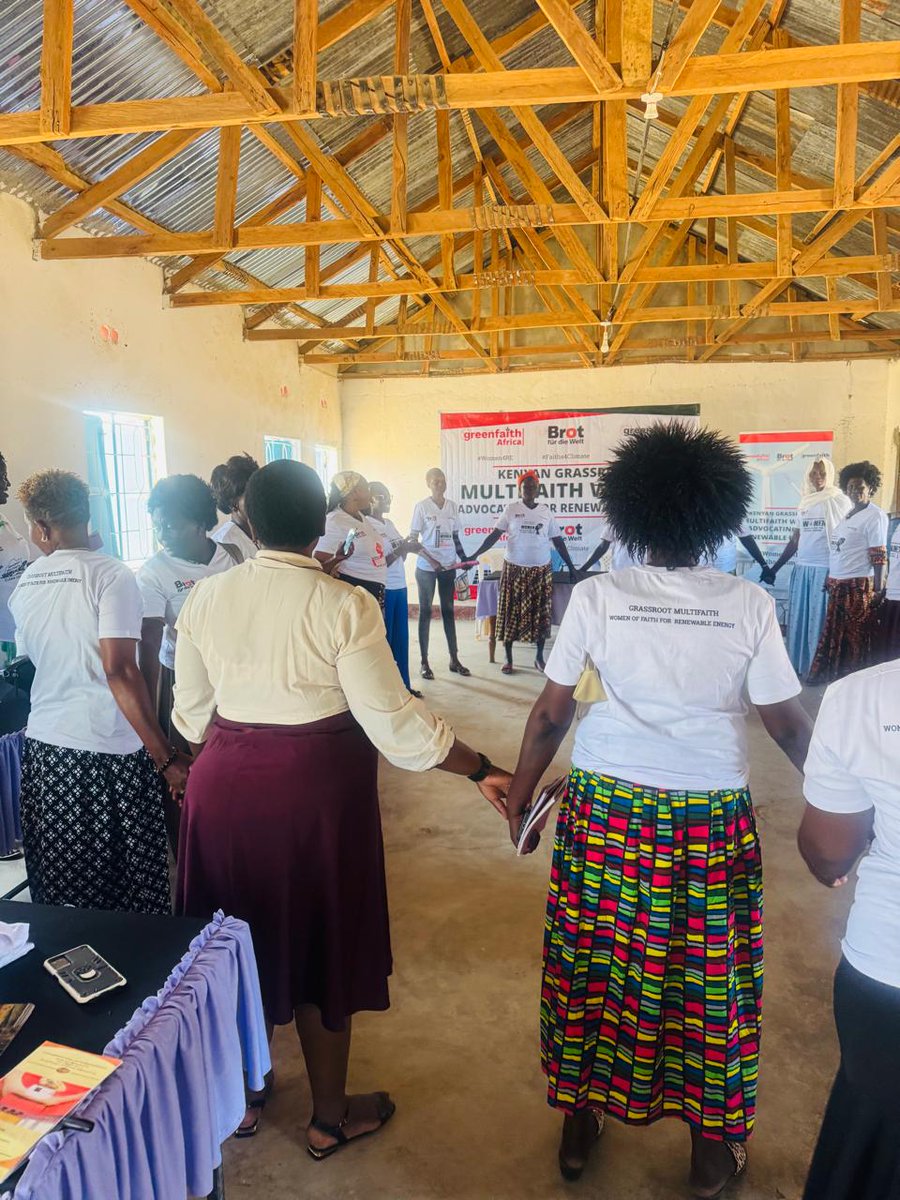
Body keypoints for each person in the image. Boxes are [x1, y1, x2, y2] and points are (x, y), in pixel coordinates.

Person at [505, 424, 812, 1198]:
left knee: (590, 961)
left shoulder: (601, 596)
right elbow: (785, 722)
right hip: (710, 817)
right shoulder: (749, 603)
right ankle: (712, 1151)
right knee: (711, 974)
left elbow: (550, 714)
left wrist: (518, 794)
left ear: (630, 512)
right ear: (717, 514)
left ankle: (580, 1117)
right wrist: (844, 794)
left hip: (608, 811)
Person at [171, 460, 510, 1149]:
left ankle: (244, 1095)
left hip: (222, 792)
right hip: (313, 799)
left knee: (236, 942)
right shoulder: (343, 605)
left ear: (249, 521)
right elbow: (399, 728)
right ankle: (329, 1119)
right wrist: (481, 768)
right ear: (317, 521)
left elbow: (189, 717)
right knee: (322, 944)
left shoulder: (205, 598)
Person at [9, 470, 189, 913]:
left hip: (49, 752)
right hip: (111, 750)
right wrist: (164, 757)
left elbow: (40, 657)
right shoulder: (112, 575)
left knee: (67, 888)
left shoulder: (27, 583)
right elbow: (121, 670)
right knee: (131, 886)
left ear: (43, 528)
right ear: (85, 518)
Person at [798, 657, 900, 1199]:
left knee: (870, 1145)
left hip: (889, 970)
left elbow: (829, 856)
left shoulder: (865, 696)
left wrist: (836, 863)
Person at [137, 474, 239, 852]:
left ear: (199, 522)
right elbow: (147, 648)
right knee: (193, 775)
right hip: (183, 682)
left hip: (234, 678)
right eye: (156, 521)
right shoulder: (155, 573)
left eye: (170, 522)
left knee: (234, 765)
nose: (161, 530)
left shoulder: (234, 556)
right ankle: (195, 853)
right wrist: (153, 724)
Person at [472, 470, 577, 675]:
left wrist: (572, 567)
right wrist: (475, 554)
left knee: (540, 615)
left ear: (538, 489)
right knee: (510, 613)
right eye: (525, 486)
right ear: (519, 489)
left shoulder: (546, 512)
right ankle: (508, 658)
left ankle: (539, 658)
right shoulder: (511, 510)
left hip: (540, 571)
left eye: (532, 486)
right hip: (514, 570)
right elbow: (494, 536)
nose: (529, 489)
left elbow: (558, 541)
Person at [763, 458, 852, 677]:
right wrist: (774, 569)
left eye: (822, 472)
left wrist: (837, 573)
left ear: (829, 474)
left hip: (825, 569)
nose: (817, 477)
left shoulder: (840, 501)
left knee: (820, 621)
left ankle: (818, 668)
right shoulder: (805, 502)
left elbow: (845, 540)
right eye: (813, 473)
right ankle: (800, 665)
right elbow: (795, 540)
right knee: (800, 619)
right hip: (803, 569)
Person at [807, 461, 887, 685]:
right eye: (850, 487)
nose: (855, 491)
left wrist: (878, 590)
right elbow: (838, 549)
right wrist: (830, 576)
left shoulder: (875, 516)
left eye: (860, 487)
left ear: (870, 487)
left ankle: (853, 684)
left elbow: (879, 555)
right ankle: (836, 680)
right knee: (836, 636)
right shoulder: (850, 514)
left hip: (857, 587)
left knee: (855, 640)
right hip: (838, 584)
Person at [409, 467, 470, 680]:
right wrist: (431, 560)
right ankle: (424, 662)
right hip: (427, 569)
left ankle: (454, 659)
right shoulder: (422, 507)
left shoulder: (452, 507)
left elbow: (455, 538)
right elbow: (412, 541)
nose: (440, 484)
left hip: (447, 568)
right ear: (428, 483)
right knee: (425, 612)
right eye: (435, 481)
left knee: (448, 611)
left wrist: (464, 559)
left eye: (442, 480)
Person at [368, 481, 419, 694]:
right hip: (385, 587)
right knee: (386, 642)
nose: (387, 500)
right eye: (382, 496)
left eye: (388, 495)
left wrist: (407, 547)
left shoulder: (388, 524)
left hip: (399, 585)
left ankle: (404, 687)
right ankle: (388, 691)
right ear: (369, 499)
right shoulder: (368, 526)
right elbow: (380, 561)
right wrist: (402, 549)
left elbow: (401, 554)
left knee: (401, 640)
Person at [315, 472, 387, 604]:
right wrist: (336, 559)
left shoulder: (359, 516)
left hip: (374, 591)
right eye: (367, 489)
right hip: (356, 592)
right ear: (355, 492)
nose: (370, 496)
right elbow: (318, 567)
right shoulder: (334, 521)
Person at [0, 452, 31, 663]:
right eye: (2, 476)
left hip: (17, 627)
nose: (8, 483)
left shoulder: (3, 518)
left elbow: (12, 566)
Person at [210, 452, 259, 561]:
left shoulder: (267, 532)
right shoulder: (224, 544)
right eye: (251, 495)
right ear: (233, 504)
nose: (260, 499)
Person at [875, 517, 900, 662]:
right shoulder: (895, 525)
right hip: (891, 598)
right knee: (887, 654)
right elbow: (891, 563)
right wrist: (883, 591)